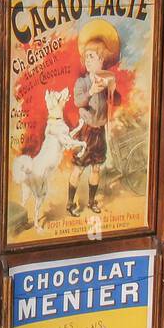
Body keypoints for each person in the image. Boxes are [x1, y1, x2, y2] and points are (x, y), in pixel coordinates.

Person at [67, 20, 120, 218]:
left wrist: (111, 88)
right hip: (86, 132)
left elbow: (116, 102)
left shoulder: (107, 80)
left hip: (99, 132)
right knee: (78, 169)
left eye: (92, 57)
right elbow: (79, 102)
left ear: (101, 60)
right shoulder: (81, 83)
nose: (88, 60)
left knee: (96, 168)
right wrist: (91, 91)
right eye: (86, 57)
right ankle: (70, 203)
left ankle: (91, 202)